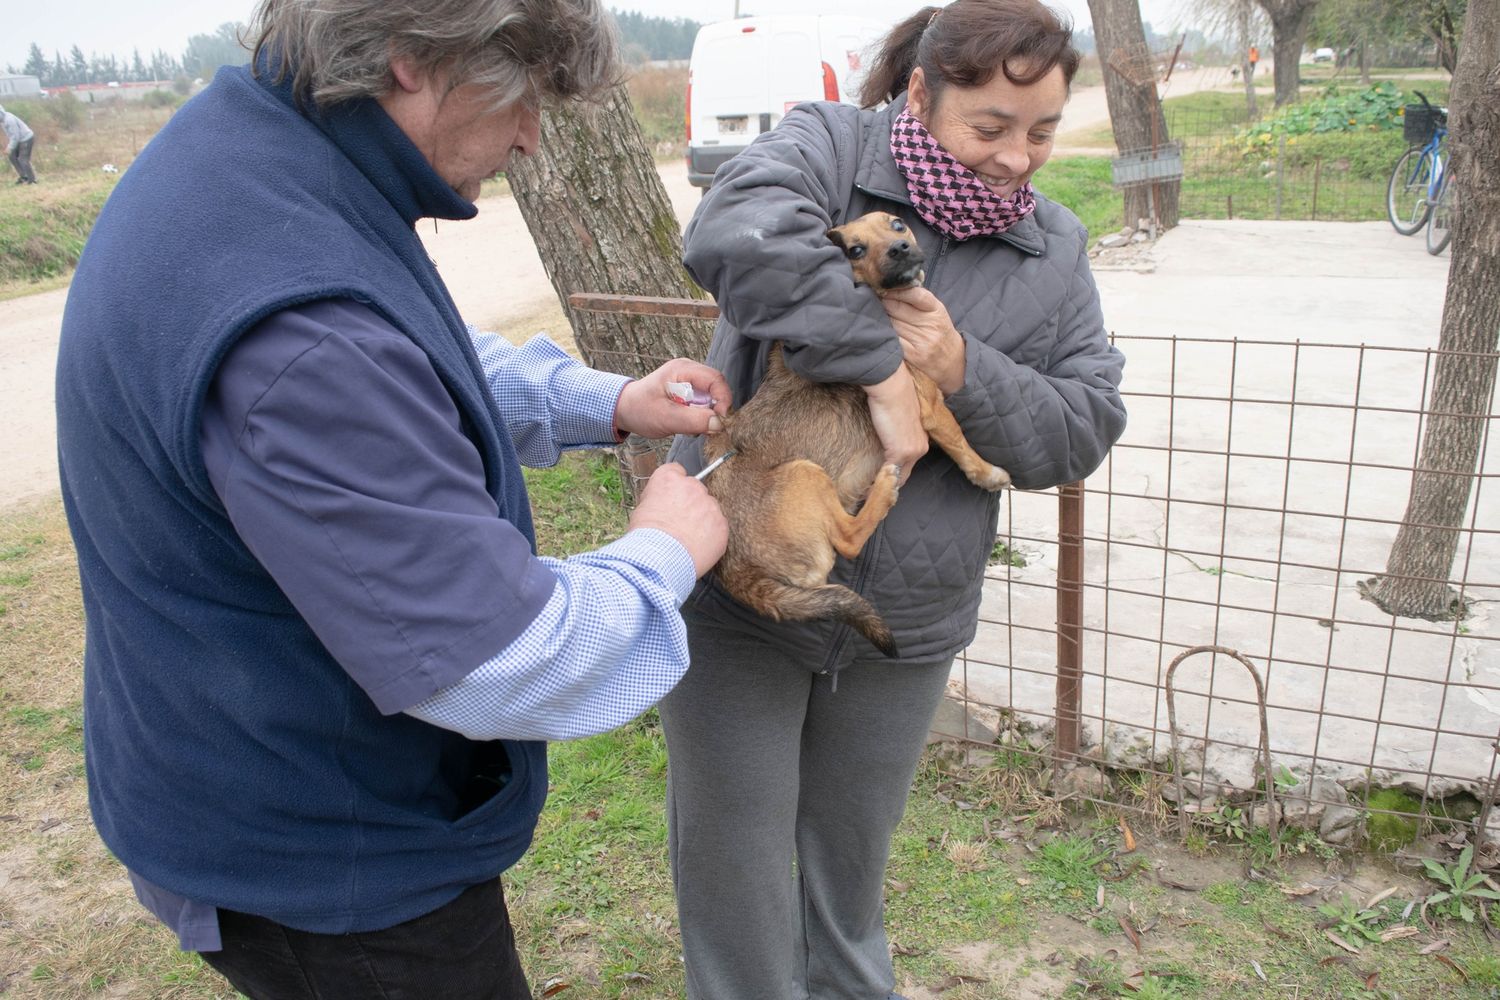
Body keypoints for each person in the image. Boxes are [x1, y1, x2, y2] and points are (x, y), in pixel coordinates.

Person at [54, 1, 728, 997]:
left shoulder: (260, 155)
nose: (530, 136)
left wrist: (604, 403)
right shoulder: (299, 329)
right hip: (327, 860)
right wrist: (661, 553)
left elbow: (398, 353)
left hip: (235, 773)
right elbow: (498, 656)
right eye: (524, 93)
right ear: (416, 56)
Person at [659, 1, 1127, 997]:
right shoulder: (832, 150)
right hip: (740, 590)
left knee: (849, 876)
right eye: (989, 126)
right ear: (921, 91)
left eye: (1042, 130)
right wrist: (878, 362)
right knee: (733, 874)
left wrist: (961, 366)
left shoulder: (1056, 251)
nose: (1018, 158)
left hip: (906, 619)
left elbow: (1082, 425)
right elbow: (736, 234)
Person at [1, 103, 36, 184]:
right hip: (19, 139)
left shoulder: (9, 120)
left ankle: (32, 180)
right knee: (12, 156)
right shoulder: (2, 120)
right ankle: (24, 177)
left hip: (26, 138)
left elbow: (15, 137)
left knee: (22, 159)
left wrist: (9, 148)